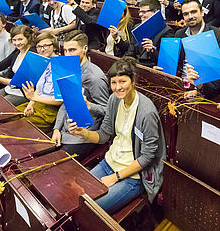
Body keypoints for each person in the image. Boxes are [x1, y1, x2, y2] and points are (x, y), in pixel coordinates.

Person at [68, 57, 166, 214]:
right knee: (75, 194)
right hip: (109, 163)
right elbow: (104, 134)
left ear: (133, 81)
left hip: (132, 176)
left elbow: (147, 157)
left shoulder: (146, 112)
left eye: (123, 81)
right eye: (114, 82)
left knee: (90, 209)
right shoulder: (114, 100)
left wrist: (115, 177)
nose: (118, 87)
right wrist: (83, 133)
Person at [52, 31, 110, 157]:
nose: (67, 55)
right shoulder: (67, 68)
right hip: (64, 131)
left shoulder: (95, 78)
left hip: (83, 136)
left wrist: (89, 106)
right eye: (65, 50)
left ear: (84, 48)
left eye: (72, 50)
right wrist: (56, 129)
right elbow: (65, 103)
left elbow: (108, 111)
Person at [17, 33, 62, 134]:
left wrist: (33, 98)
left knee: (16, 126)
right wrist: (31, 104)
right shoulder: (42, 62)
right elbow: (39, 88)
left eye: (46, 46)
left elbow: (59, 100)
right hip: (37, 103)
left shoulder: (62, 65)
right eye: (39, 46)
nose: (42, 49)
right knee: (7, 116)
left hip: (49, 112)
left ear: (54, 47)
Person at [132, 0, 175, 68]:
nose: (140, 14)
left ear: (156, 12)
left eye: (144, 12)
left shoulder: (167, 31)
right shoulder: (137, 27)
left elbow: (166, 61)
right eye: (139, 12)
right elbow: (131, 52)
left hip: (153, 68)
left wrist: (152, 49)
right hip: (136, 66)